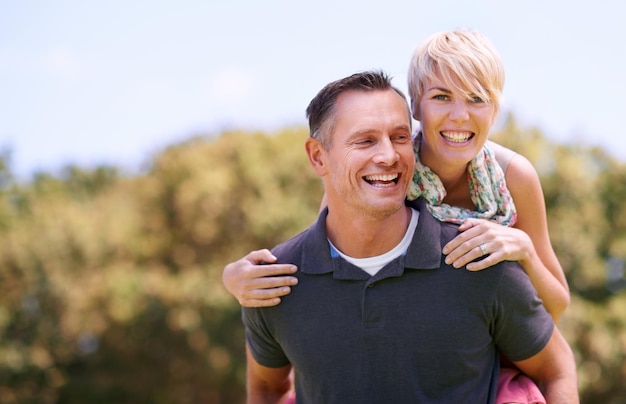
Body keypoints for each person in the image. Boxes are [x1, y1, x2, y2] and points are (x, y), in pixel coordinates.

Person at [242, 69, 578, 402]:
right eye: (365, 140)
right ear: (318, 156)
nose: (388, 156)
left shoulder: (482, 260)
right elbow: (267, 388)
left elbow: (557, 369)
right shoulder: (273, 281)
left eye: (400, 137)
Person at [224, 29, 569, 324]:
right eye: (442, 97)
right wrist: (233, 278)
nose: (460, 115)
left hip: (492, 344)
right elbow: (323, 267)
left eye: (477, 98)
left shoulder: (514, 177)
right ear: (415, 107)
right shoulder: (381, 174)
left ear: (495, 110)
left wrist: (525, 251)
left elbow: (556, 307)